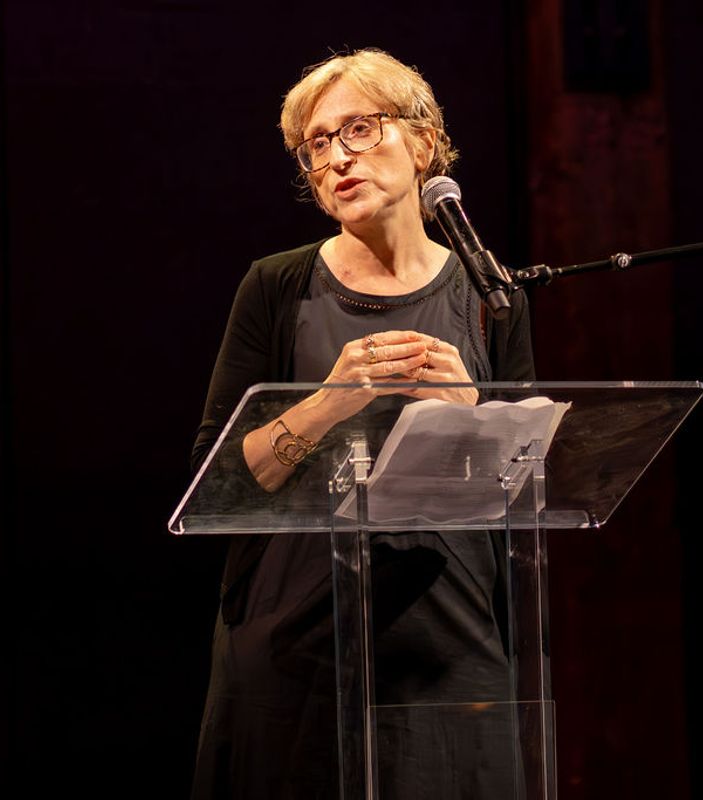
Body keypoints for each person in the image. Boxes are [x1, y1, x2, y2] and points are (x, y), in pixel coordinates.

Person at [189, 49, 535, 799]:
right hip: (297, 642)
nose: (336, 158)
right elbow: (216, 486)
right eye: (315, 145)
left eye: (358, 129)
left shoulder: (491, 295)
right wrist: (330, 399)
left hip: (450, 643)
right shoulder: (276, 286)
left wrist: (470, 415)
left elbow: (527, 491)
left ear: (422, 143)